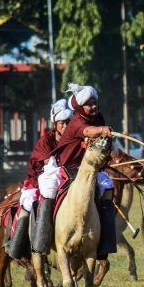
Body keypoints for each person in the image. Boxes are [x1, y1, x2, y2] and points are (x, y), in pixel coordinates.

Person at [35, 83, 113, 258]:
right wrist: (101, 130)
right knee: (48, 192)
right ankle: (42, 241)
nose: (93, 106)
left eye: (95, 102)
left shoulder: (99, 118)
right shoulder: (77, 121)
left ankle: (104, 242)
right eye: (89, 103)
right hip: (64, 168)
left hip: (87, 169)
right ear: (80, 107)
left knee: (107, 187)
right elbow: (88, 131)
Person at [5, 99, 72, 259]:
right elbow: (49, 163)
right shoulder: (46, 140)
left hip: (67, 178)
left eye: (68, 122)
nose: (65, 126)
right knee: (28, 202)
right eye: (62, 122)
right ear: (55, 123)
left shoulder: (72, 139)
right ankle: (16, 246)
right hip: (39, 179)